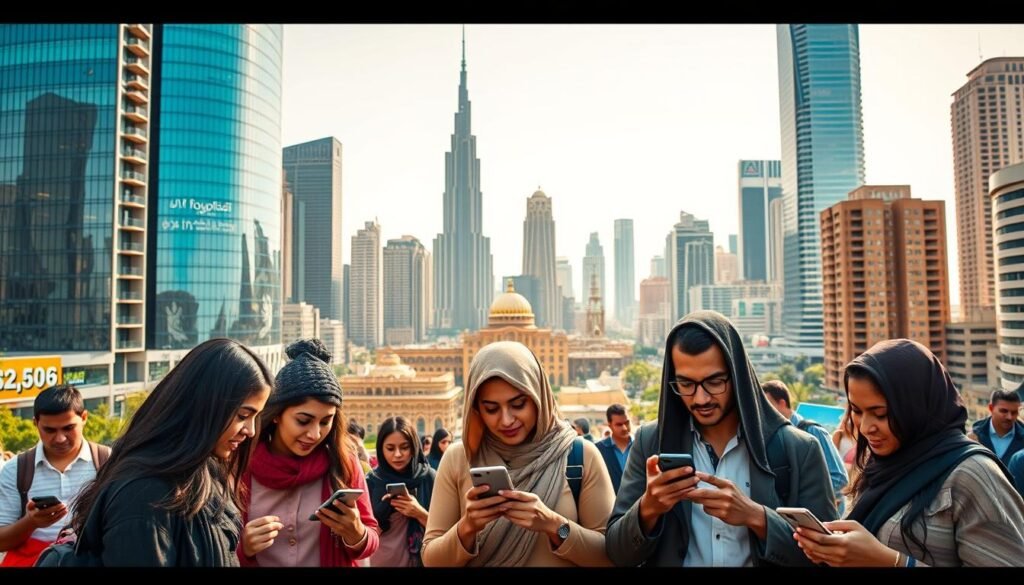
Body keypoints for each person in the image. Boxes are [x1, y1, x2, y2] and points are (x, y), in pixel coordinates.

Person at [606, 311, 836, 567]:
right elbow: (617, 551)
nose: (701, 398)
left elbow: (827, 557)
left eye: (714, 382)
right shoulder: (651, 443)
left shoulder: (799, 449)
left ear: (737, 375)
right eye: (686, 384)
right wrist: (648, 508)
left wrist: (757, 517)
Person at [794, 339, 1024, 567]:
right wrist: (837, 551)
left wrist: (891, 562)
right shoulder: (882, 464)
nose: (865, 427)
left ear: (916, 407)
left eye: (881, 414)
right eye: (856, 411)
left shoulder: (973, 474)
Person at [65, 338, 275, 566]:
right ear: (203, 405)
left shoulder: (202, 472)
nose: (251, 431)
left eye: (256, 417)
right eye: (243, 416)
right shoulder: (144, 496)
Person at [422, 341, 615, 566]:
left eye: (518, 404)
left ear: (538, 397)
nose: (506, 420)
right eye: (491, 409)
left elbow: (610, 555)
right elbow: (431, 560)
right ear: (476, 409)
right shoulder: (460, 458)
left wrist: (553, 525)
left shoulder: (579, 456)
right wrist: (467, 527)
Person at [238, 339, 379, 567]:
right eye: (303, 421)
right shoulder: (241, 465)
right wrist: (242, 547)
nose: (315, 434)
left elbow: (370, 538)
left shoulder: (344, 463)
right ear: (277, 414)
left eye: (325, 422)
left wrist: (356, 533)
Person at [0, 385, 108, 566]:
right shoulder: (15, 469)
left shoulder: (107, 462)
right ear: (35, 424)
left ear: (84, 418)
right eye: (50, 430)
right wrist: (31, 522)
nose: (60, 438)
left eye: (68, 428)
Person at [762, 380, 849, 514]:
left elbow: (839, 477)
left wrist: (807, 495)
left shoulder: (812, 431)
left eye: (767, 405)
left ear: (782, 403)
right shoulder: (776, 437)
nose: (763, 411)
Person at [367, 416, 435, 567]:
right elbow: (364, 537)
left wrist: (419, 513)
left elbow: (446, 531)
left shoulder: (429, 478)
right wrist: (383, 514)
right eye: (390, 448)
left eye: (404, 447)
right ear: (381, 449)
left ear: (414, 447)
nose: (398, 454)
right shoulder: (372, 481)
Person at [967, 389, 1024, 465]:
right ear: (991, 408)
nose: (1009, 417)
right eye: (1004, 411)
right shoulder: (973, 438)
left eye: (1014, 412)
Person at [595, 404, 633, 494]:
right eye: (619, 425)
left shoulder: (641, 445)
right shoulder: (598, 450)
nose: (624, 428)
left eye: (627, 423)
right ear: (610, 425)